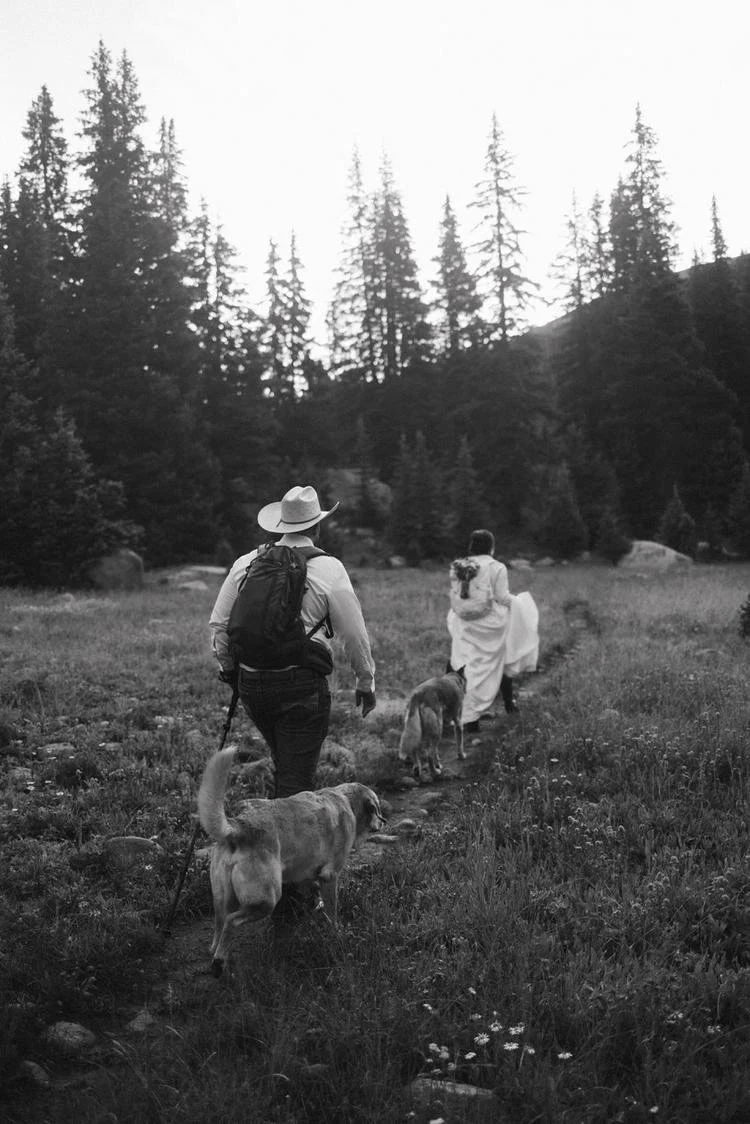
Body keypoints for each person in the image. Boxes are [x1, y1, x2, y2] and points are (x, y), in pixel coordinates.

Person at [209, 484, 376, 924]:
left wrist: (231, 670)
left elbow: (219, 625)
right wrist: (365, 680)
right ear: (318, 524)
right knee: (295, 783)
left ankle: (259, 862)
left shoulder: (247, 563)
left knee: (287, 768)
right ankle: (289, 902)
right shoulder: (329, 567)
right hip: (302, 687)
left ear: (279, 525)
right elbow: (354, 633)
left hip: (254, 685)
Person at [447, 528, 538, 732]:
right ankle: (507, 704)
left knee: (464, 664)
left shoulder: (459, 566)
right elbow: (502, 597)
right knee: (498, 661)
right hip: (490, 625)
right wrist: (521, 603)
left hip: (464, 622)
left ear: (472, 546)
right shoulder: (497, 567)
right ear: (491, 547)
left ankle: (464, 716)